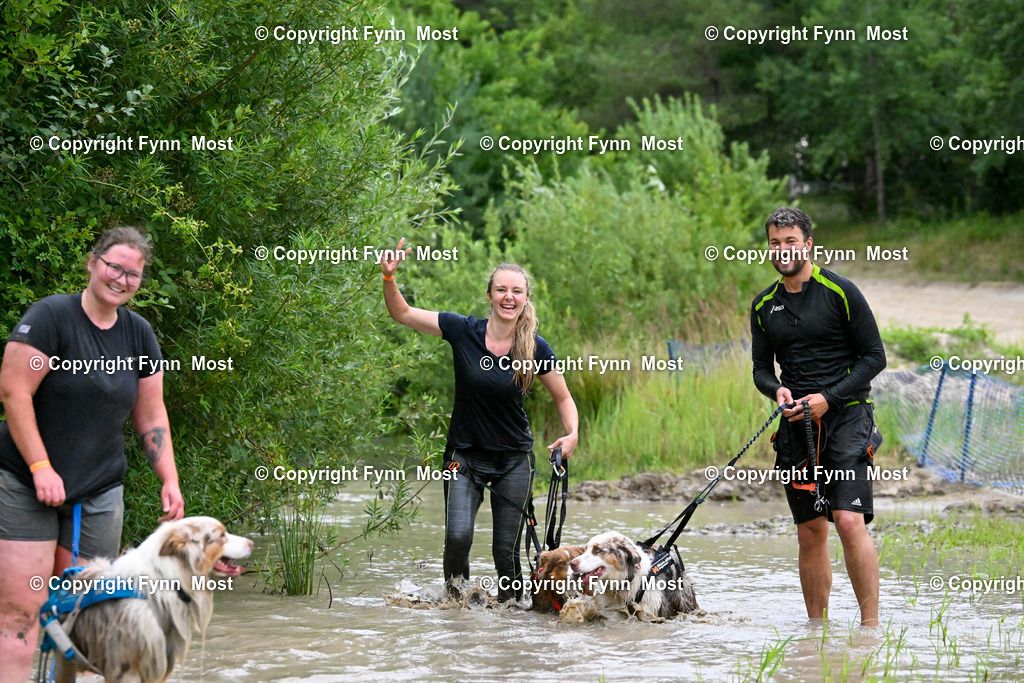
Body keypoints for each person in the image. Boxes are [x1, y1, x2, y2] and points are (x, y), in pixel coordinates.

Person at [0, 226, 185, 682]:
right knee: (23, 611)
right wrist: (41, 467)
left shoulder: (139, 334)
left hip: (99, 491)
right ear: (92, 262)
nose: (121, 279)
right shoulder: (51, 317)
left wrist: (169, 478)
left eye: (133, 274)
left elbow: (152, 416)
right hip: (26, 483)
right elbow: (13, 393)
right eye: (114, 267)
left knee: (81, 614)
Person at [380, 239, 579, 602]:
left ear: (524, 298)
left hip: (513, 460)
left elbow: (563, 397)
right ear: (489, 294)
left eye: (516, 291)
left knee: (506, 553)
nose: (508, 296)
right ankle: (456, 613)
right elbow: (403, 314)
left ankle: (511, 622)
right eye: (501, 289)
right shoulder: (462, 330)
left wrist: (572, 434)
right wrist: (389, 277)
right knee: (457, 538)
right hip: (464, 457)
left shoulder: (535, 347)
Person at [750, 207, 886, 626]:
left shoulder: (841, 291)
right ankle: (817, 634)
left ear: (808, 243)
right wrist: (778, 391)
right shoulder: (763, 305)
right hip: (796, 427)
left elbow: (874, 357)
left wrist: (828, 397)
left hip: (848, 419)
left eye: (791, 241)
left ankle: (870, 630)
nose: (783, 249)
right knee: (810, 531)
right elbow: (760, 370)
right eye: (775, 242)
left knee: (847, 520)